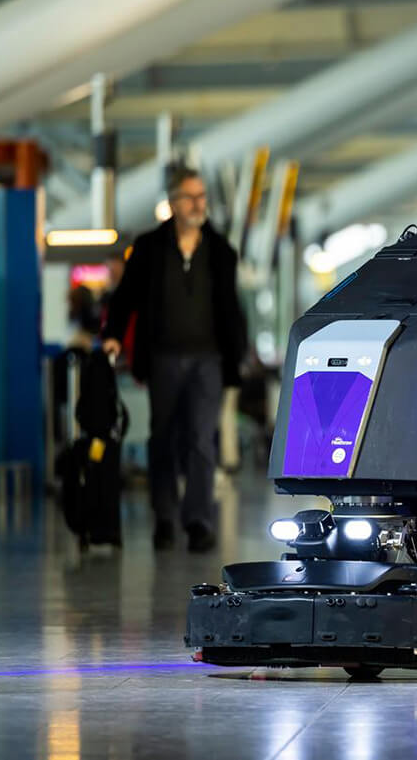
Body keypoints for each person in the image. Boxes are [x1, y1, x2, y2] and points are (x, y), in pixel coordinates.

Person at [102, 164, 247, 552]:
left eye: (202, 196)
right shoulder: (149, 248)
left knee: (201, 439)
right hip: (163, 358)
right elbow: (126, 296)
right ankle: (164, 517)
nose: (200, 204)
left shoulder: (220, 251)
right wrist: (113, 335)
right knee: (163, 438)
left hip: (208, 360)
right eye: (191, 197)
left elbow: (233, 308)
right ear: (173, 202)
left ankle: (198, 520)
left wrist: (238, 354)